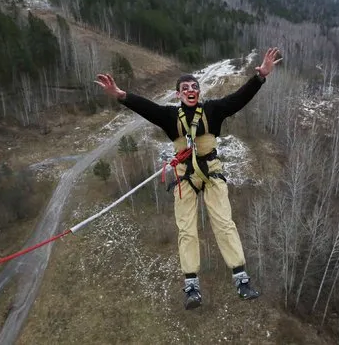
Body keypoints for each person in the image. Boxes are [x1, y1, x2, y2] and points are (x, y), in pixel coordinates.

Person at [95, 47, 282, 310]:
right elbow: (146, 107)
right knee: (186, 230)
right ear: (178, 94)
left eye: (194, 86)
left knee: (224, 222)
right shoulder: (171, 117)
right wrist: (120, 96)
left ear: (199, 91)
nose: (191, 90)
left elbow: (238, 99)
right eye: (185, 88)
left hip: (211, 173)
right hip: (185, 178)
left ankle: (241, 278)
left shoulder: (213, 111)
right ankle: (192, 285)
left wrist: (260, 77)